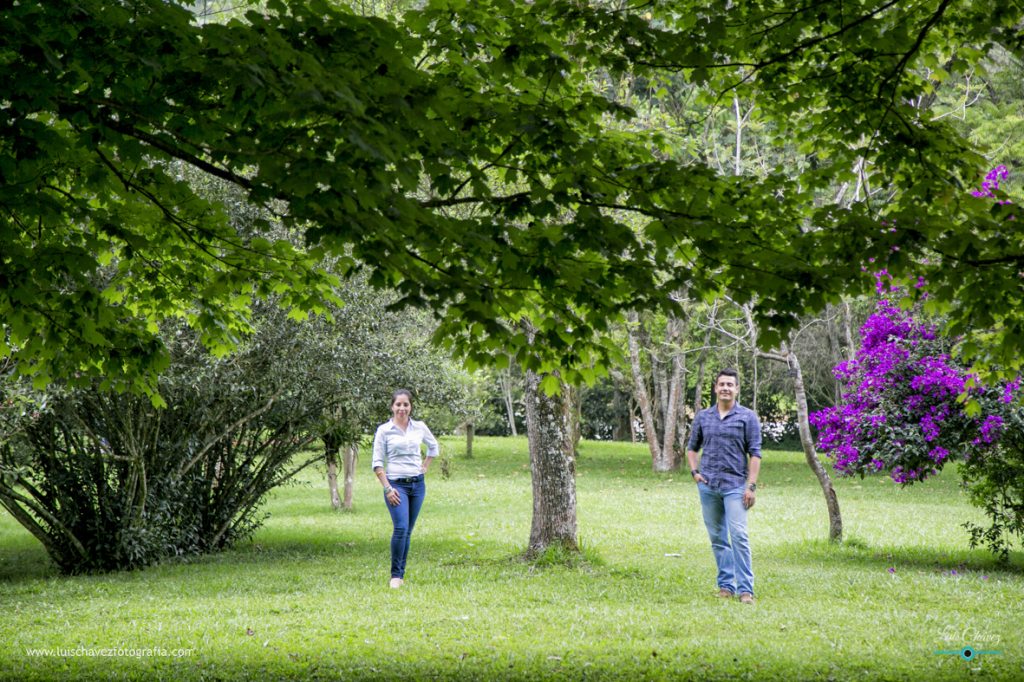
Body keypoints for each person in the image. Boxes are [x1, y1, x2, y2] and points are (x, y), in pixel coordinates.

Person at [686, 368, 762, 604]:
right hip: (708, 487)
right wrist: (695, 473)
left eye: (730, 384)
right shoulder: (703, 416)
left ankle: (745, 590)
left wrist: (751, 486)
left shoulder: (747, 417)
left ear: (737, 389)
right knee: (718, 537)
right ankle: (726, 586)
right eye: (722, 384)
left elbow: (755, 453)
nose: (726, 388)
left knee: (739, 535)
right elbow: (692, 447)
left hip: (736, 486)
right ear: (716, 388)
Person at [371, 389, 439, 589]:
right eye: (398, 404)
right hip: (396, 486)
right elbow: (377, 462)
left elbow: (433, 447)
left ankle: (401, 575)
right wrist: (387, 488)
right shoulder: (384, 430)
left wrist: (425, 466)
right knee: (400, 528)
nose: (402, 408)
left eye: (405, 404)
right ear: (392, 407)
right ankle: (395, 576)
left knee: (407, 531)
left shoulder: (419, 427)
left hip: (417, 485)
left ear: (410, 407)